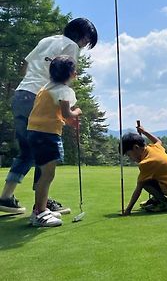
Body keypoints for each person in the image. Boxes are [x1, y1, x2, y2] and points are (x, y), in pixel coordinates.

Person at [0, 18, 97, 215]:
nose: (85, 45)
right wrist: (69, 106)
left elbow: (25, 66)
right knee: (44, 149)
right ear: (82, 36)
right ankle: (41, 205)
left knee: (27, 151)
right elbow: (65, 79)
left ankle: (5, 197)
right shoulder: (71, 46)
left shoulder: (47, 40)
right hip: (40, 98)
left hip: (21, 94)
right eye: (87, 41)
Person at [28, 55, 82, 227]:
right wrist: (77, 112)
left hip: (35, 132)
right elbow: (67, 113)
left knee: (43, 172)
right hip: (47, 134)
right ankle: (40, 213)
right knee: (47, 174)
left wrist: (67, 119)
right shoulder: (64, 91)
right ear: (73, 74)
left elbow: (56, 113)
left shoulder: (45, 88)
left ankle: (41, 208)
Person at [121, 124, 167, 215]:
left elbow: (138, 188)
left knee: (145, 182)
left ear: (136, 148)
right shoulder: (154, 148)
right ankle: (156, 200)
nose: (130, 158)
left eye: (129, 154)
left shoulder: (146, 162)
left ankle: (163, 202)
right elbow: (158, 141)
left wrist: (128, 210)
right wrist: (144, 132)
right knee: (150, 177)